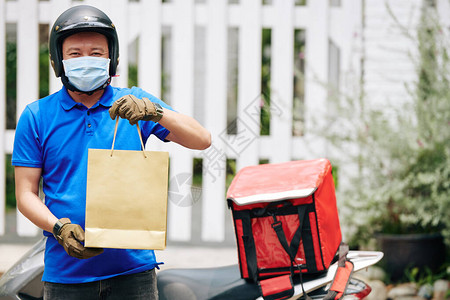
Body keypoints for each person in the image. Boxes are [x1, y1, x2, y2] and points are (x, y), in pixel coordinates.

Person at [12, 5, 211, 300]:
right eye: (75, 54)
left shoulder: (135, 103)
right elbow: (25, 194)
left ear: (111, 58)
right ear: (59, 60)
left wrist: (156, 113)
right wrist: (59, 228)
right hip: (66, 275)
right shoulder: (37, 116)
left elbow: (202, 139)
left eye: (96, 52)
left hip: (133, 273)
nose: (86, 60)